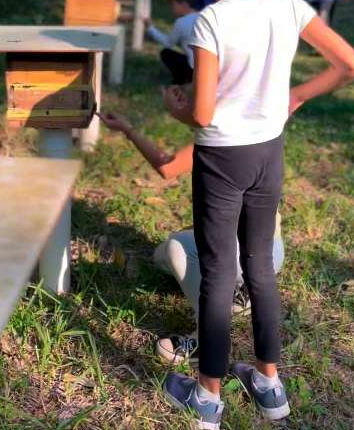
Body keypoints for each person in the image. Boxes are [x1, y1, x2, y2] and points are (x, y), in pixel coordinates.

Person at [162, 0, 354, 430]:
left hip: (222, 158)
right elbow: (350, 66)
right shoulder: (289, 4)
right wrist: (298, 93)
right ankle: (270, 385)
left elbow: (203, 113)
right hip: (268, 152)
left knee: (217, 272)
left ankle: (207, 396)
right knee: (259, 266)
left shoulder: (211, 20)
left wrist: (177, 109)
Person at [100, 109, 285, 365]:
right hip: (270, 251)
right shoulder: (266, 119)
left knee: (171, 251)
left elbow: (168, 166)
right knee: (184, 249)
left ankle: (203, 337)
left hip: (234, 255)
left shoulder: (220, 134)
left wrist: (133, 128)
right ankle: (241, 297)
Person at [146, 0, 198, 85]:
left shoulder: (181, 22)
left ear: (184, 5)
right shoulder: (204, 16)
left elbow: (168, 43)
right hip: (210, 68)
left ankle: (182, 80)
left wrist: (150, 28)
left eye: (173, 5)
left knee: (166, 53)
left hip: (193, 70)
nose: (172, 9)